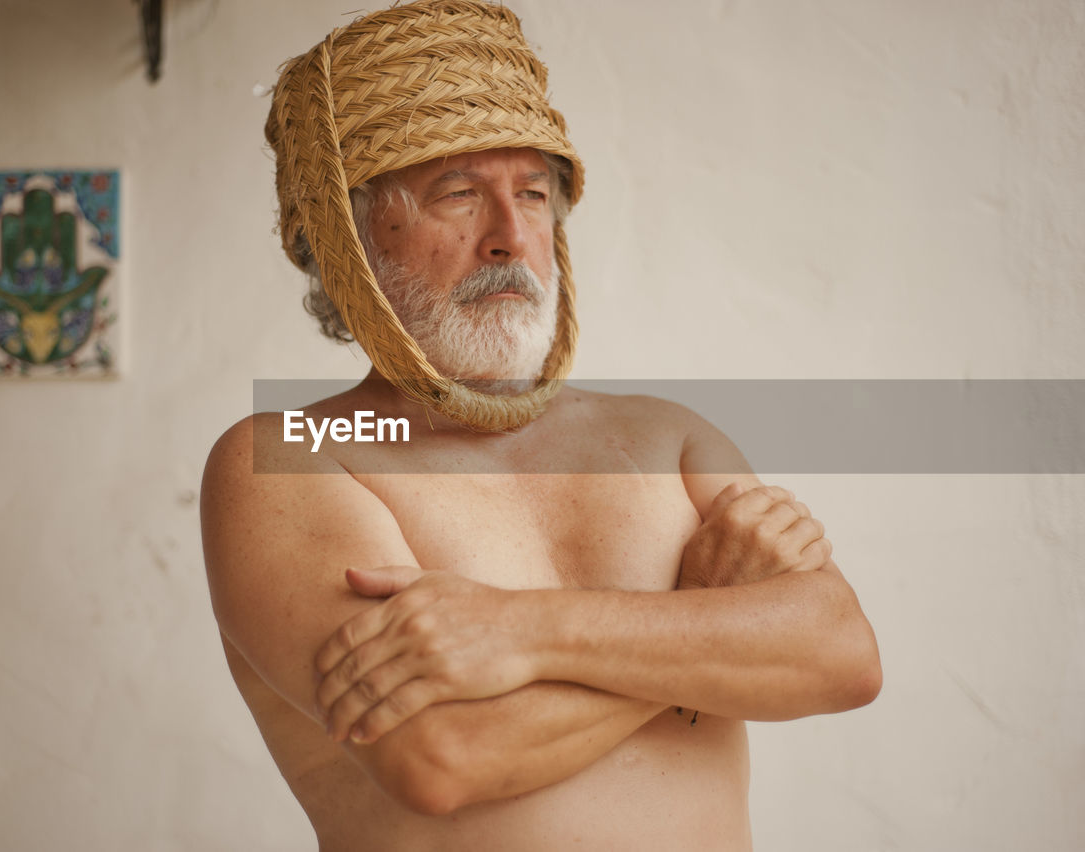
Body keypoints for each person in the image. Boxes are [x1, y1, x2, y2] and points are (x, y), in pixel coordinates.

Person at [201, 2, 881, 849]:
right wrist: (706, 622)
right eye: (458, 195)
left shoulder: (664, 436)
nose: (511, 238)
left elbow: (841, 653)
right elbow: (441, 753)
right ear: (350, 235)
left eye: (532, 193)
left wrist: (520, 630)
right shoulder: (283, 457)